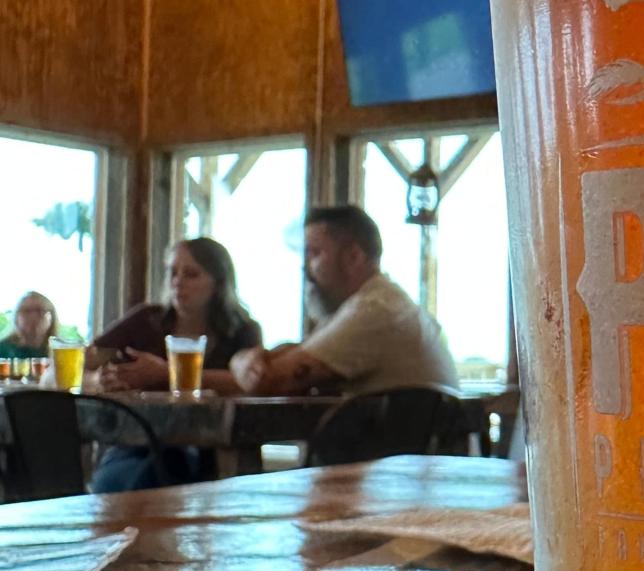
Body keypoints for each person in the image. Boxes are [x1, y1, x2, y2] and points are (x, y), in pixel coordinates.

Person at [90, 237, 262, 494]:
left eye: (191, 274)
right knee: (146, 475)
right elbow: (71, 366)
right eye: (172, 272)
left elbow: (250, 383)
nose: (177, 281)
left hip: (214, 452)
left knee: (174, 470)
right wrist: (101, 381)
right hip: (136, 445)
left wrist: (164, 373)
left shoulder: (242, 330)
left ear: (218, 282)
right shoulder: (147, 319)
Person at [233, 205, 458, 396]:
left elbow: (269, 381)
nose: (305, 267)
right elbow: (284, 362)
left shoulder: (374, 310)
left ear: (353, 257)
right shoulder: (373, 304)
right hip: (405, 447)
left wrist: (240, 362)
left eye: (315, 253)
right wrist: (246, 361)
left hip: (401, 449)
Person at [0, 291, 58, 359]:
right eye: (27, 311)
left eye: (39, 310)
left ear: (52, 317)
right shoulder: (3, 350)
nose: (33, 316)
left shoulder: (61, 350)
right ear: (16, 317)